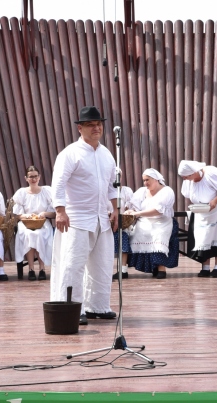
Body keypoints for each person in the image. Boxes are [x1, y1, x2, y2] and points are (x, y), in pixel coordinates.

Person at [51, 106, 118, 325]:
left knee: (103, 264)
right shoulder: (70, 153)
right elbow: (58, 183)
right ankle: (70, 306)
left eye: (99, 124)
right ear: (80, 128)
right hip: (76, 218)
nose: (96, 128)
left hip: (102, 217)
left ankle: (97, 306)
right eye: (91, 124)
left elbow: (111, 185)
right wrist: (60, 211)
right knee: (73, 264)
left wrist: (115, 209)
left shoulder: (107, 154)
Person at [178, 160, 217, 277]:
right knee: (203, 235)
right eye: (183, 177)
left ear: (194, 172)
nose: (185, 179)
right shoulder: (188, 180)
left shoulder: (211, 173)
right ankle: (205, 267)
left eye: (186, 176)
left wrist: (214, 201)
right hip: (203, 210)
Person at [125, 169, 179, 279]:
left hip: (162, 221)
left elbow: (158, 210)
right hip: (144, 221)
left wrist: (138, 214)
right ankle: (151, 266)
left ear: (156, 179)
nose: (145, 183)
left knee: (158, 235)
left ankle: (161, 268)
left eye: (147, 180)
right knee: (138, 233)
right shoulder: (142, 191)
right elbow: (134, 206)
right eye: (144, 180)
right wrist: (131, 211)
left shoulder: (167, 191)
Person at [12, 165, 56, 281]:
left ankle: (42, 269)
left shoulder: (47, 191)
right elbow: (17, 215)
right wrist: (26, 215)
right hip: (26, 223)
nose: (33, 179)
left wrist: (44, 214)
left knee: (40, 234)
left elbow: (55, 213)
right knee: (28, 234)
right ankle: (31, 269)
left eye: (35, 176)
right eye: (31, 177)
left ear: (39, 177)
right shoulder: (21, 193)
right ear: (26, 178)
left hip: (42, 222)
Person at [112, 184, 134, 280]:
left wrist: (128, 210)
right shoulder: (104, 188)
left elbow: (131, 205)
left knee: (123, 241)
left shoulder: (126, 190)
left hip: (122, 221)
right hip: (106, 221)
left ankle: (123, 270)